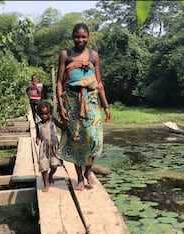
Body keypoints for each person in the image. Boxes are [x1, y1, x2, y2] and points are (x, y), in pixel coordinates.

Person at [56, 23, 111, 191]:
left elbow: (99, 83)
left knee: (94, 139)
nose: (80, 39)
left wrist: (106, 106)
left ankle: (88, 172)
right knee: (76, 139)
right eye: (77, 36)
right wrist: (61, 106)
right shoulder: (66, 54)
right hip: (72, 101)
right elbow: (59, 82)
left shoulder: (94, 55)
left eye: (83, 36)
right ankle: (79, 178)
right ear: (73, 36)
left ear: (88, 37)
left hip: (92, 100)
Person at [35, 101, 65, 192]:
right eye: (42, 114)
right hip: (44, 148)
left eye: (46, 114)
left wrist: (64, 119)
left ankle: (51, 175)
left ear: (50, 113)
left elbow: (62, 127)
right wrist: (38, 139)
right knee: (44, 167)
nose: (44, 116)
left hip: (54, 147)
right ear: (38, 114)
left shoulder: (53, 121)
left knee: (54, 165)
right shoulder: (38, 125)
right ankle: (46, 183)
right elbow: (38, 135)